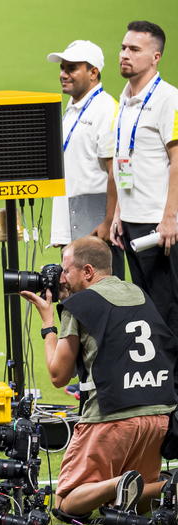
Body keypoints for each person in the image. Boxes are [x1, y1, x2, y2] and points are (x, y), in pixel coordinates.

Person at [20, 237, 176, 517]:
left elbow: (58, 376)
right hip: (159, 413)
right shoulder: (138, 293)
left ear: (88, 271)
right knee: (138, 506)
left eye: (66, 270)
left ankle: (118, 483)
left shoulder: (80, 305)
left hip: (112, 415)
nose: (61, 279)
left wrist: (47, 324)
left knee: (67, 504)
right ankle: (165, 487)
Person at [109, 21, 178, 337]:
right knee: (147, 308)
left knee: (167, 309)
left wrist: (169, 218)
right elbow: (128, 161)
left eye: (134, 49)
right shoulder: (124, 99)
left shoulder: (168, 99)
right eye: (124, 47)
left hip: (159, 226)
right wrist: (119, 213)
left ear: (156, 57)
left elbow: (177, 160)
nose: (125, 54)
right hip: (133, 222)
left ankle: (173, 384)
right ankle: (159, 382)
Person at [46, 39, 125, 278]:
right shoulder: (72, 108)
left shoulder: (107, 109)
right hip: (73, 220)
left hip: (94, 225)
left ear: (93, 72)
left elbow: (116, 171)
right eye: (62, 68)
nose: (63, 74)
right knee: (75, 301)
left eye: (71, 68)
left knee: (103, 300)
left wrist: (108, 221)